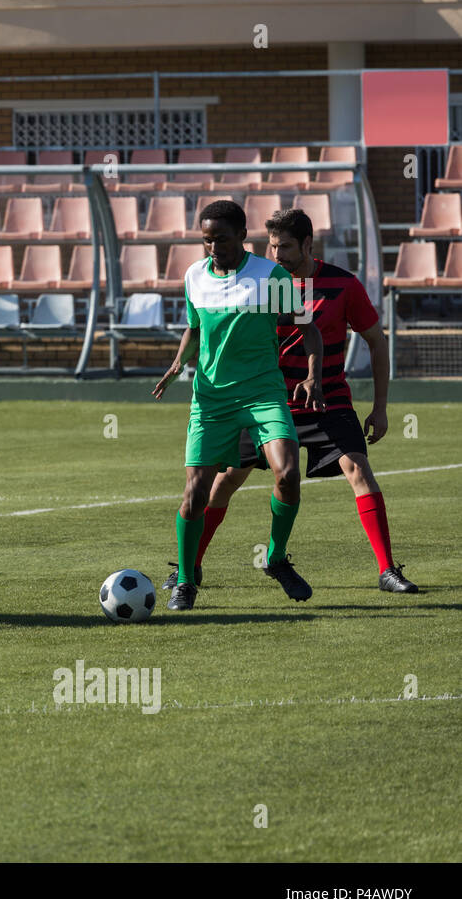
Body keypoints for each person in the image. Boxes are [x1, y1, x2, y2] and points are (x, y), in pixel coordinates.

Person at [159, 208, 419, 594]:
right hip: (266, 397)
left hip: (324, 399)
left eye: (285, 247)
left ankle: (386, 570)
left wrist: (379, 407)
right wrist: (182, 359)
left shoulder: (341, 285)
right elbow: (200, 327)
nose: (276, 254)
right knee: (222, 482)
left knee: (359, 472)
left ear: (308, 245)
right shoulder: (259, 279)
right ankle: (188, 568)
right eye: (272, 246)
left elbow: (376, 341)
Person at [152, 200, 325, 611]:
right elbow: (194, 328)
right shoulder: (195, 275)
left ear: (242, 237)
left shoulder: (270, 275)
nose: (213, 248)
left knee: (288, 472)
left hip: (264, 393)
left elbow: (309, 329)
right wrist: (179, 362)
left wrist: (313, 376)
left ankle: (277, 557)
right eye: (207, 240)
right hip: (211, 398)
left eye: (222, 239)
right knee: (196, 494)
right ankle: (187, 579)